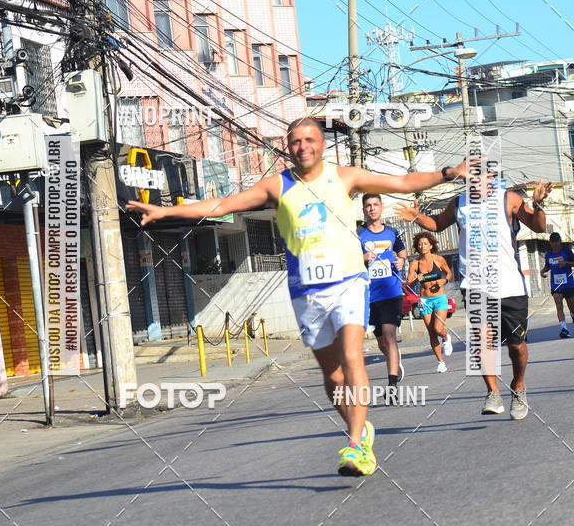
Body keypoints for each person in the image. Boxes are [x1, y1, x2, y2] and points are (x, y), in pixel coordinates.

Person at [128, 117, 466, 475]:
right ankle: (360, 428)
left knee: (352, 354)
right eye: (294, 141)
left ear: (322, 144)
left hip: (349, 282)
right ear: (288, 148)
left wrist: (449, 172)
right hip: (306, 292)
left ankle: (355, 444)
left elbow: (401, 182)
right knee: (332, 375)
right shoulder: (276, 185)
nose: (302, 146)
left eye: (309, 140)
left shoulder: (344, 176)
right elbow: (224, 205)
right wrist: (166, 210)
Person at [398, 176, 553, 420]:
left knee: (516, 346)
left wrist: (538, 204)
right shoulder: (459, 203)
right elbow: (438, 224)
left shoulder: (509, 199)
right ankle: (493, 392)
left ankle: (519, 386)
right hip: (476, 285)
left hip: (510, 286)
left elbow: (539, 227)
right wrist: (416, 216)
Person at [359, 194, 407, 402]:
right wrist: (363, 258)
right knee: (381, 341)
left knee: (389, 336)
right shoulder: (358, 235)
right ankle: (394, 362)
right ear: (363, 210)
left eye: (375, 205)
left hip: (391, 292)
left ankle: (392, 385)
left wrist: (401, 262)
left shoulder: (392, 232)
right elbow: (348, 259)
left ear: (381, 207)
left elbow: (403, 253)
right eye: (368, 206)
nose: (372, 209)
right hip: (369, 295)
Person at [406, 232, 453, 373]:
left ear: (431, 245)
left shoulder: (438, 259)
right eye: (420, 244)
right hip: (425, 299)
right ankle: (441, 362)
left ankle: (445, 336)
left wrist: (444, 280)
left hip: (439, 298)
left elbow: (449, 273)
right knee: (431, 332)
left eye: (425, 243)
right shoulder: (414, 264)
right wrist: (416, 280)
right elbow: (409, 283)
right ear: (417, 247)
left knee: (438, 328)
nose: (422, 246)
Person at [540, 231, 574, 338]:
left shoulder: (567, 252)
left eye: (557, 241)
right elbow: (548, 266)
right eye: (553, 242)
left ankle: (573, 316)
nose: (555, 244)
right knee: (559, 306)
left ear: (560, 241)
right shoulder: (548, 255)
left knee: (572, 307)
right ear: (550, 243)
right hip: (556, 285)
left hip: (568, 284)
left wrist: (566, 263)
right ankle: (564, 329)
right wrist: (542, 271)